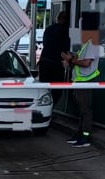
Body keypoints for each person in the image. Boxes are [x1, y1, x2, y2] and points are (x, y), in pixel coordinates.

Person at [61, 16, 101, 148]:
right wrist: (70, 60)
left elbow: (86, 63)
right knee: (82, 110)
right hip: (80, 81)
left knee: (86, 110)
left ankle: (85, 136)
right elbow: (78, 59)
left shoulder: (92, 43)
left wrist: (71, 60)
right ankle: (80, 134)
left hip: (86, 81)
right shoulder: (86, 43)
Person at [38, 11, 70, 105]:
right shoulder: (66, 31)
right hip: (56, 64)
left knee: (44, 89)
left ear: (57, 18)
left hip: (44, 62)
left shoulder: (49, 29)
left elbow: (46, 44)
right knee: (57, 89)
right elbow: (66, 48)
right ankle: (51, 108)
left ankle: (44, 109)